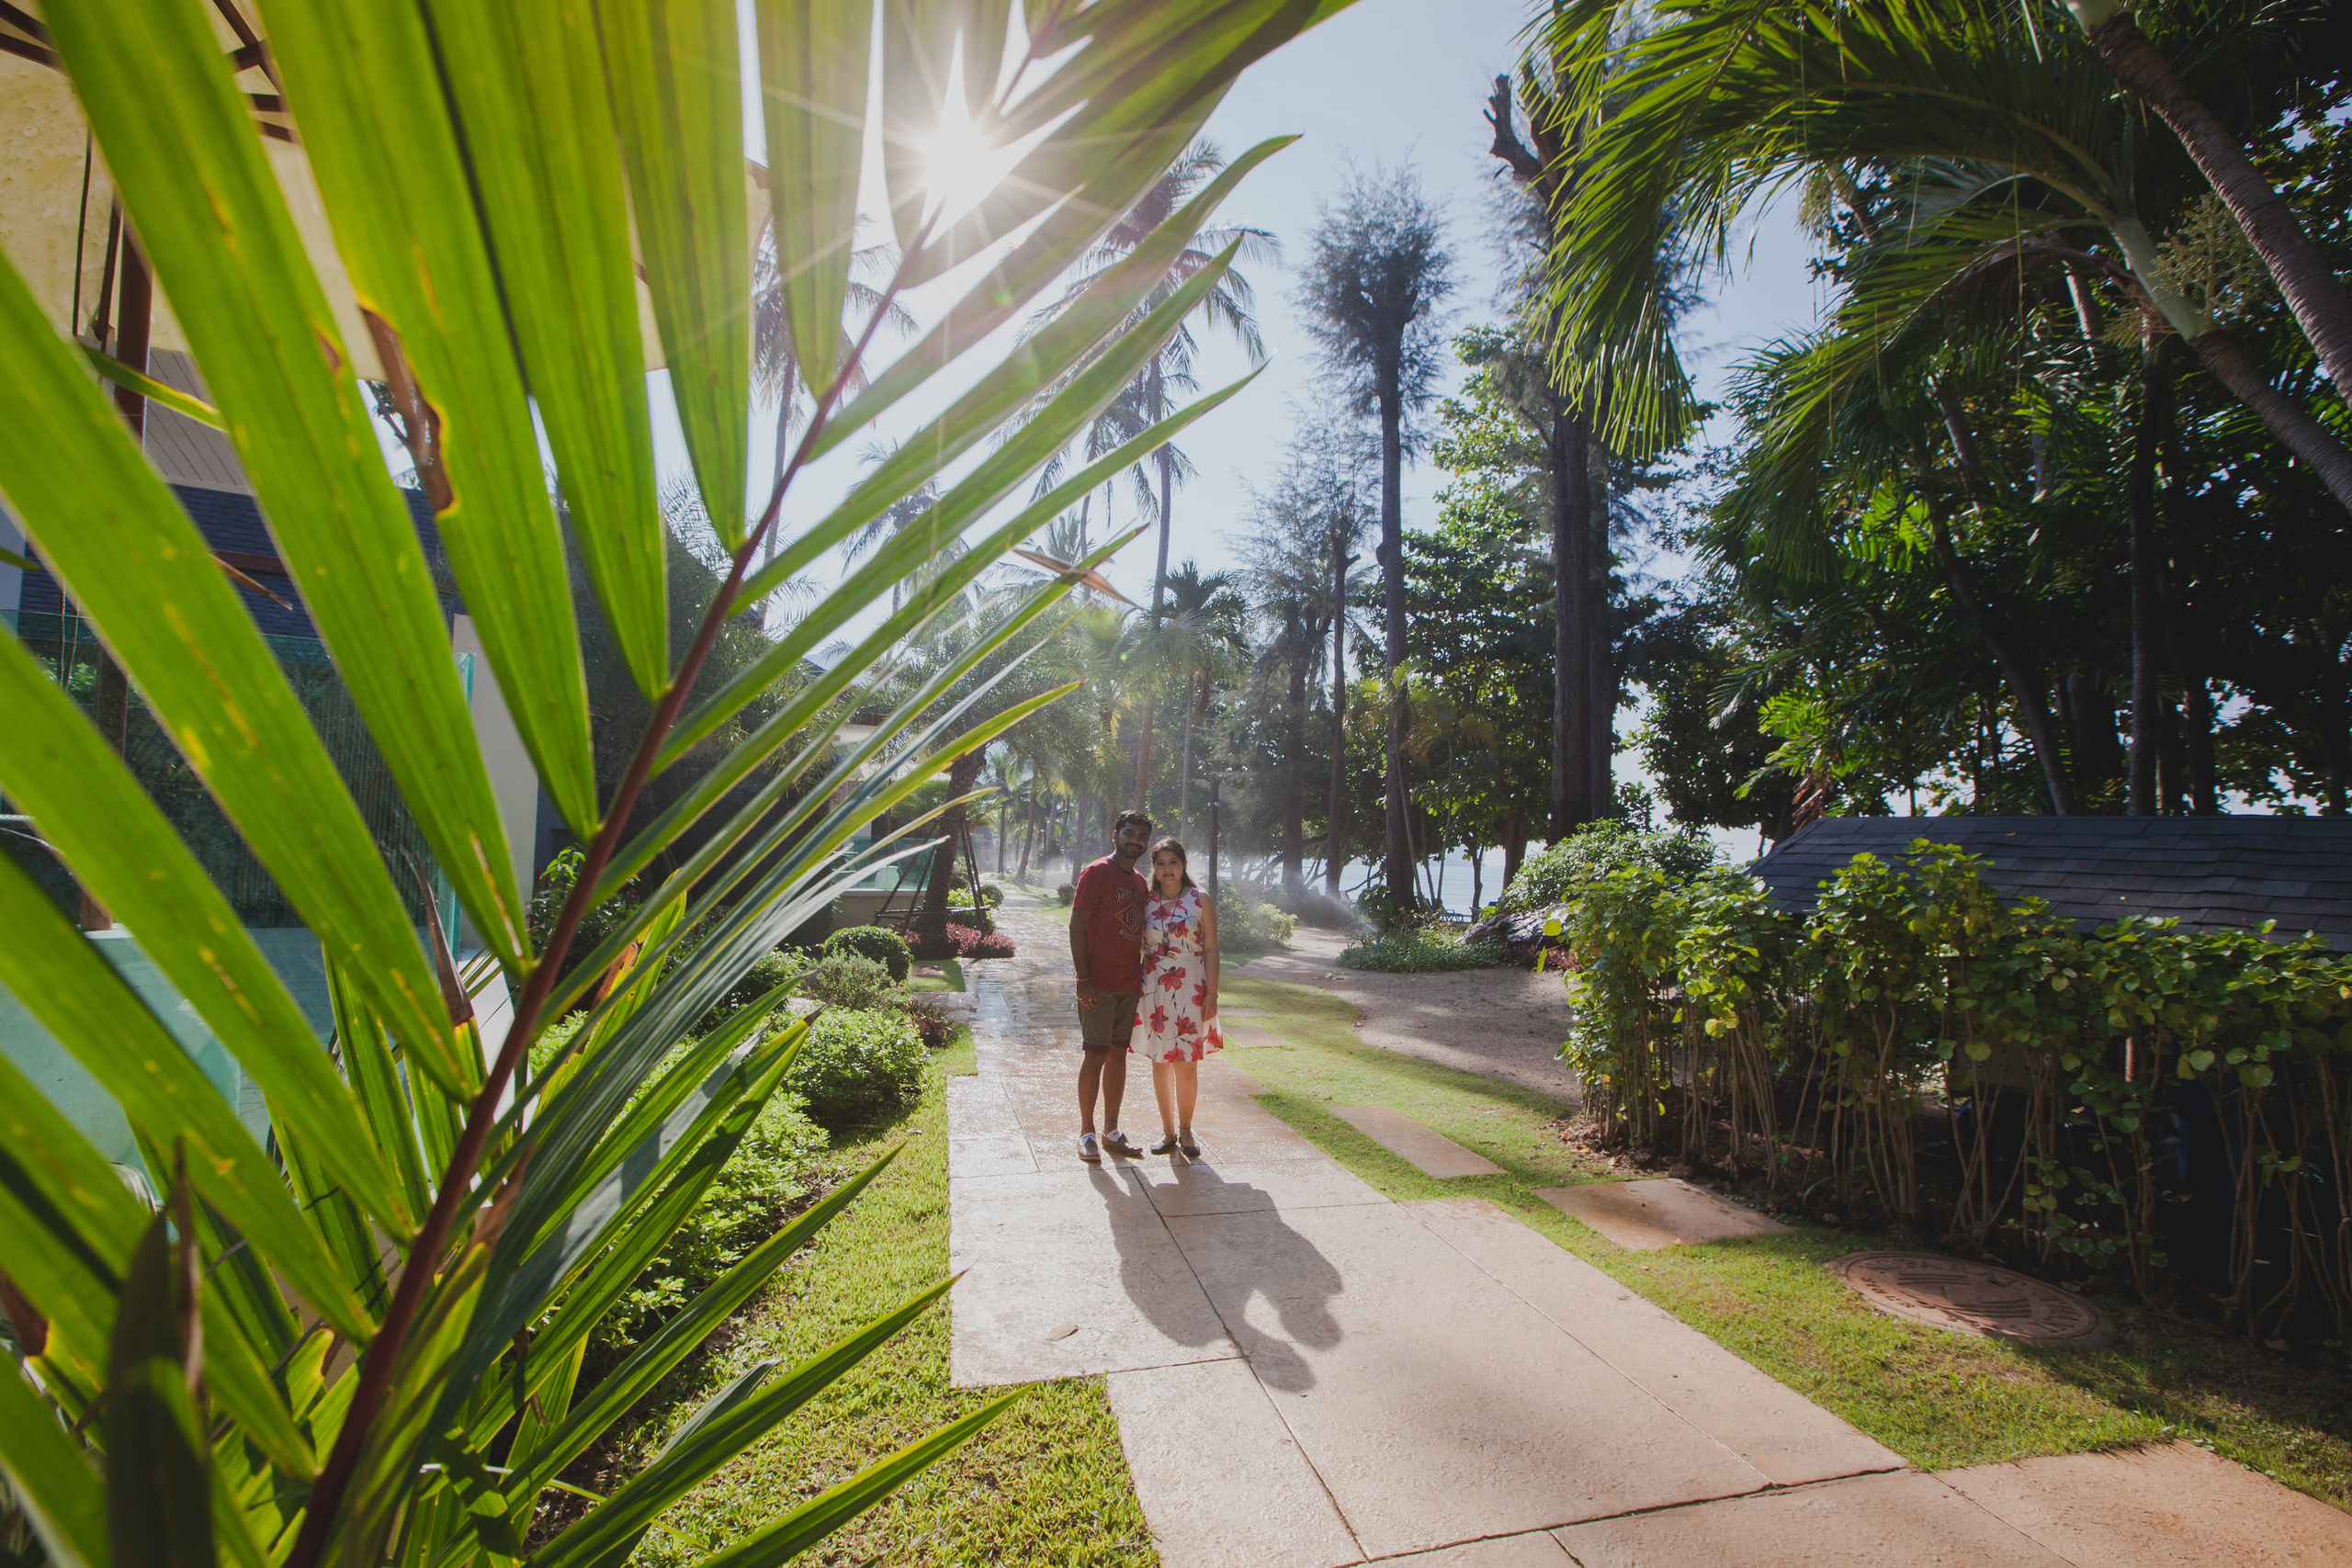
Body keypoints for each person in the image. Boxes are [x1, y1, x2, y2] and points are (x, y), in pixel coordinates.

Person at [1069, 808, 1153, 1161]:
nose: (1135, 841)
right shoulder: (1096, 873)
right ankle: (1086, 1132)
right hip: (1098, 985)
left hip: (1128, 984)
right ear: (1115, 835)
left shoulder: (1139, 882)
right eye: (1129, 833)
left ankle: (1111, 1130)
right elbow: (1076, 926)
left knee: (1119, 1055)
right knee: (1095, 1054)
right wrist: (1084, 979)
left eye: (1141, 837)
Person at [1133, 836, 1221, 1156]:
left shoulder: (1200, 900)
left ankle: (1186, 1131)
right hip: (1154, 985)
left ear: (1183, 865)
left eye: (1173, 862)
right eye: (1160, 863)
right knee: (1160, 1062)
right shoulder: (1145, 901)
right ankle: (1167, 1131)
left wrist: (1212, 992)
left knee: (1186, 1064)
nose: (1167, 869)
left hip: (1191, 985)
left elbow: (1211, 949)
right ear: (1153, 868)